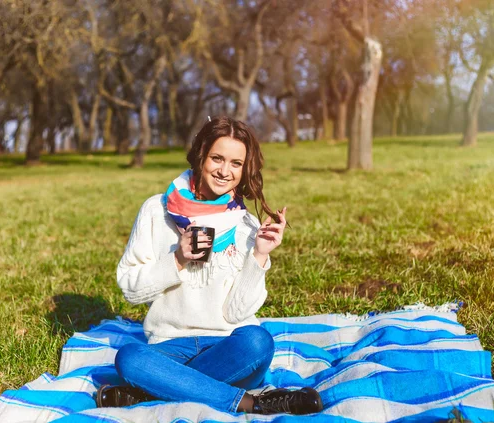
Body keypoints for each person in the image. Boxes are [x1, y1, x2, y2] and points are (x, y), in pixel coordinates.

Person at [95, 116, 323, 415]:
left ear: (245, 169)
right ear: (201, 155)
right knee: (130, 358)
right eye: (217, 158)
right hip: (169, 347)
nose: (225, 171)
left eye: (236, 163)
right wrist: (177, 258)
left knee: (259, 342)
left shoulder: (245, 225)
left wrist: (260, 256)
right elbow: (130, 289)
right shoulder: (156, 211)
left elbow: (237, 313)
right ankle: (251, 403)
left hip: (230, 348)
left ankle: (150, 392)